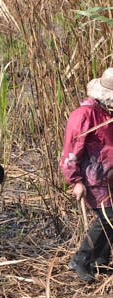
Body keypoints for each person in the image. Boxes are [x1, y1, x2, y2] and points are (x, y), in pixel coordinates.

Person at [60, 67, 113, 282]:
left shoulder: (106, 113)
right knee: (107, 218)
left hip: (107, 176)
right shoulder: (84, 115)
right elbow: (71, 150)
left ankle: (99, 261)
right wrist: (76, 181)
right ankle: (80, 260)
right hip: (92, 177)